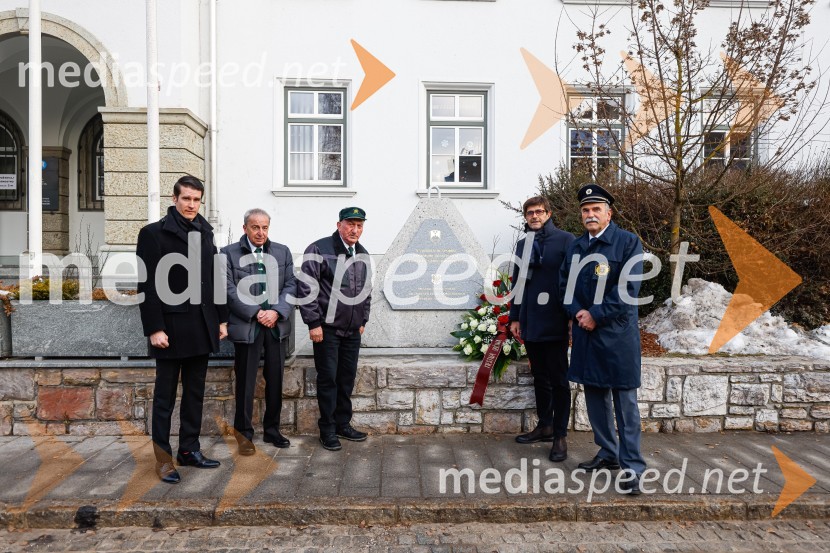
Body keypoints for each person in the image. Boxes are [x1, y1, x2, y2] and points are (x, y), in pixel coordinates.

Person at [136, 175, 229, 484]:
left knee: (194, 394)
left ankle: (188, 450)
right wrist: (154, 328)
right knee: (164, 398)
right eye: (186, 198)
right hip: (170, 330)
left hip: (201, 326)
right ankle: (163, 461)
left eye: (196, 199)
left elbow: (215, 279)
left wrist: (222, 319)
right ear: (174, 199)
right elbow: (146, 285)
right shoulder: (152, 234)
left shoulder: (204, 232)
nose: (191, 204)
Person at [560, 183, 647, 495]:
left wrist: (595, 314)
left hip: (616, 335)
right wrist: (577, 311)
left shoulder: (627, 242)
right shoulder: (576, 246)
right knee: (595, 399)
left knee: (625, 405)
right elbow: (563, 285)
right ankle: (608, 452)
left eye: (596, 209)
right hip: (586, 335)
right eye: (586, 210)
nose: (590, 214)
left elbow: (629, 288)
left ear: (609, 213)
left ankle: (633, 468)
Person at [222, 208, 297, 455]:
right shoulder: (229, 254)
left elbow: (290, 285)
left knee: (275, 380)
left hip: (275, 327)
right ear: (245, 228)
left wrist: (276, 311)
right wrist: (256, 313)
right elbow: (228, 289)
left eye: (265, 227)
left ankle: (273, 430)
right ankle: (244, 434)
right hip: (248, 327)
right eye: (255, 227)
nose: (261, 232)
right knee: (245, 381)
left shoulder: (282, 252)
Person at [298, 207, 371, 451]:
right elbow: (307, 290)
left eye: (359, 225)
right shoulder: (319, 249)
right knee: (328, 379)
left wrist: (363, 320)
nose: (355, 230)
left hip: (352, 331)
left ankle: (343, 424)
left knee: (346, 379)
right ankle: (327, 430)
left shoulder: (362, 253)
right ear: (339, 224)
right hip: (326, 330)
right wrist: (313, 323)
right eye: (350, 224)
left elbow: (366, 291)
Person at [508, 196, 574, 462]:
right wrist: (515, 317)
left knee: (559, 379)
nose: (534, 216)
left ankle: (560, 436)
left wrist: (570, 316)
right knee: (540, 377)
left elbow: (572, 279)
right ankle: (545, 425)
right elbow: (518, 282)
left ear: (548, 213)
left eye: (539, 212)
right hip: (531, 318)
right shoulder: (523, 244)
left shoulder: (566, 240)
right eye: (530, 213)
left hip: (556, 319)